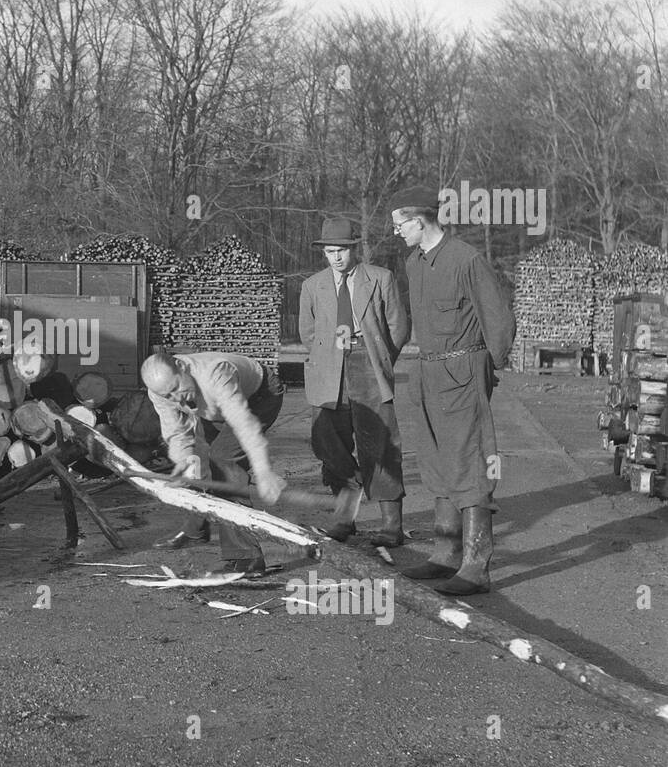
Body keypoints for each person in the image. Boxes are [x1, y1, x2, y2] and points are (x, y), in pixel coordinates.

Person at [391, 186, 516, 595]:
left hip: (463, 372)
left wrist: (487, 370)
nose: (397, 233)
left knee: (469, 464)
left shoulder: (466, 259)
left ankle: (476, 567)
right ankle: (444, 555)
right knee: (436, 463)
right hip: (426, 375)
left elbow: (498, 320)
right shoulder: (414, 263)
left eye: (400, 225)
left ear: (420, 220)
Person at [298, 214, 409, 545]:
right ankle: (344, 519)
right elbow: (308, 332)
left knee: (381, 442)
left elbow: (398, 327)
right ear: (323, 252)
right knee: (329, 443)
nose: (336, 257)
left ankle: (392, 527)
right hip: (327, 368)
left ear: (355, 249)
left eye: (343, 250)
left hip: (367, 364)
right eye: (330, 251)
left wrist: (379, 358)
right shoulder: (311, 286)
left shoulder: (380, 278)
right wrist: (327, 356)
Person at [142, 349, 287, 576]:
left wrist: (263, 470)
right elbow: (177, 432)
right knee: (196, 462)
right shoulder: (161, 391)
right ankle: (195, 529)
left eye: (175, 389)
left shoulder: (216, 373)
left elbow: (243, 424)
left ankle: (247, 557)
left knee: (225, 463)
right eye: (167, 396)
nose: (175, 399)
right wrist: (184, 461)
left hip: (258, 396)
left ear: (183, 367)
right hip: (210, 407)